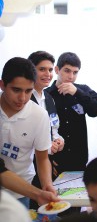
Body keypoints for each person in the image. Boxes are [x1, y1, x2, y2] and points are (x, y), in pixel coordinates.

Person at [0, 57, 56, 208]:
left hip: (21, 193)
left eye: (28, 91)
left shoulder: (39, 115)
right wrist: (37, 194)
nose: (22, 98)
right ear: (2, 85)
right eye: (16, 90)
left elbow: (42, 157)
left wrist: (47, 184)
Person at [46, 52, 97, 176]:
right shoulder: (46, 95)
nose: (71, 76)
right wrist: (46, 159)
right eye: (67, 71)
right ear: (57, 70)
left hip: (79, 159)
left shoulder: (83, 90)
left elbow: (96, 111)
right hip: (54, 160)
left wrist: (77, 92)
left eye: (75, 72)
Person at [28, 51, 64, 209]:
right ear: (31, 70)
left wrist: (58, 140)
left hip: (44, 164)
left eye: (50, 70)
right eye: (42, 69)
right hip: (27, 166)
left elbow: (53, 128)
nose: (48, 74)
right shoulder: (24, 98)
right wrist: (48, 145)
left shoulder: (48, 98)